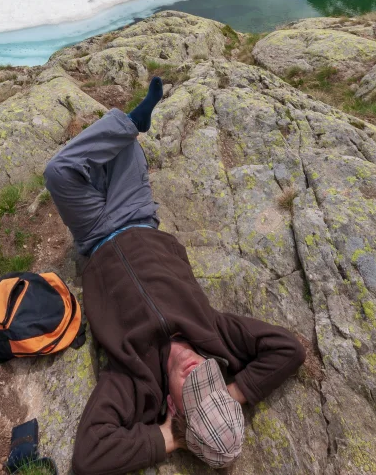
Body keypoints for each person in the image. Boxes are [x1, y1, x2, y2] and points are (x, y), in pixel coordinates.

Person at [44, 77, 305, 475]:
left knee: (59, 171)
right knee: (126, 142)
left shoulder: (136, 384)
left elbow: (89, 457)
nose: (198, 370)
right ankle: (133, 123)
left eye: (195, 392)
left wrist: (167, 439)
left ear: (172, 409)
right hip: (140, 218)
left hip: (96, 236)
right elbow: (289, 350)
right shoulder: (217, 337)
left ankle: (124, 127)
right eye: (212, 382)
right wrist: (235, 393)